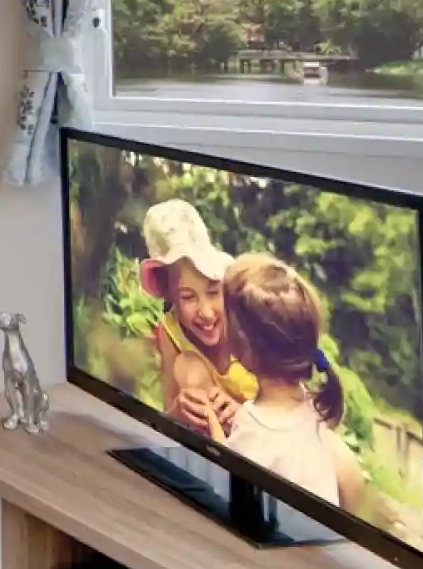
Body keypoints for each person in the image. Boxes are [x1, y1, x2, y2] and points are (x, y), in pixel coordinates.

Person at [219, 254, 369, 514]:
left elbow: (230, 501)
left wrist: (213, 428)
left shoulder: (249, 429)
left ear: (244, 347)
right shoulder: (323, 433)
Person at [138, 200, 254, 440]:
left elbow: (287, 406)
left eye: (213, 292)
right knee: (187, 365)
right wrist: (180, 411)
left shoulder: (244, 319)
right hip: (225, 446)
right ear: (169, 292)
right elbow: (166, 419)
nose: (207, 312)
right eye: (188, 297)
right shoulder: (172, 332)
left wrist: (243, 415)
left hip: (267, 441)